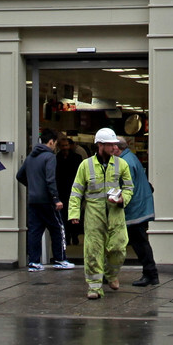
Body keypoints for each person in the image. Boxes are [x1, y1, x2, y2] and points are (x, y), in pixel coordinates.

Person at [67, 127, 133, 299]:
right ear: (100, 145)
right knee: (93, 250)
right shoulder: (86, 166)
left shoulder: (121, 164)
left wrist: (122, 199)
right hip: (93, 213)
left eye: (115, 145)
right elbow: (76, 192)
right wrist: (74, 214)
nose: (114, 148)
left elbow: (128, 188)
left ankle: (111, 275)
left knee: (119, 247)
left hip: (115, 213)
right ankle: (95, 287)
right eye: (111, 145)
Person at [20, 130, 72, 271]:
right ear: (51, 142)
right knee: (57, 229)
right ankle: (60, 259)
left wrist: (32, 186)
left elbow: (20, 175)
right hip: (47, 200)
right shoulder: (49, 157)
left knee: (35, 231)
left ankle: (34, 262)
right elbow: (50, 179)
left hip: (33, 200)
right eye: (55, 143)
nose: (56, 146)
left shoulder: (30, 157)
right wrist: (56, 199)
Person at [119, 142, 158, 287]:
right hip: (140, 207)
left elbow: (126, 186)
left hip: (135, 210)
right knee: (140, 242)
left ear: (117, 148)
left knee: (139, 243)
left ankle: (150, 274)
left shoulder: (125, 162)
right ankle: (150, 273)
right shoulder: (131, 158)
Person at [55, 135, 86, 254]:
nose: (65, 148)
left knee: (75, 214)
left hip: (74, 189)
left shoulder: (77, 158)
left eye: (66, 145)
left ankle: (75, 235)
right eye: (63, 146)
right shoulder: (57, 158)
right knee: (64, 215)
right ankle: (67, 237)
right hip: (62, 191)